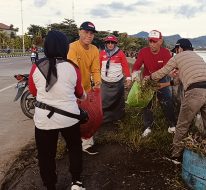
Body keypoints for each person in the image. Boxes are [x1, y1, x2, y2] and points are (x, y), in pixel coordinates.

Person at [29, 30, 86, 190]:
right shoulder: (72, 68)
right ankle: (76, 182)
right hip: (70, 118)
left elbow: (34, 92)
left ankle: (50, 185)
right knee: (74, 148)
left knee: (46, 156)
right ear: (64, 47)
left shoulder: (36, 67)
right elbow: (80, 93)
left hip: (44, 120)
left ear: (46, 47)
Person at [148, 38, 206, 161]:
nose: (175, 53)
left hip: (195, 92)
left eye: (176, 50)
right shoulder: (198, 57)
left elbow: (163, 72)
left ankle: (176, 156)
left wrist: (149, 78)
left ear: (179, 48)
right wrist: (166, 84)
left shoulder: (178, 57)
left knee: (182, 125)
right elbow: (180, 78)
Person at [132, 30, 177, 137]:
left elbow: (169, 69)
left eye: (154, 41)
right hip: (148, 80)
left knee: (167, 102)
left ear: (160, 41)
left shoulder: (166, 53)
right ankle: (148, 127)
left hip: (162, 79)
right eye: (150, 41)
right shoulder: (143, 51)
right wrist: (134, 76)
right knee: (147, 104)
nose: (152, 44)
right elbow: (136, 66)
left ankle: (172, 125)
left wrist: (173, 74)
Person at [67, 21, 101, 154]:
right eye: (86, 32)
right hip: (71, 90)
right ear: (79, 32)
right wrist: (79, 90)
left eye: (92, 33)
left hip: (86, 89)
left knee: (89, 116)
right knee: (72, 117)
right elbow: (72, 70)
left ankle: (86, 142)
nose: (89, 35)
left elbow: (95, 69)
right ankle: (73, 143)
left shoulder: (94, 49)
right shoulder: (72, 47)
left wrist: (97, 83)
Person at [100, 35, 131, 124]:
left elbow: (125, 66)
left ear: (115, 44)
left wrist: (128, 78)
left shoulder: (120, 53)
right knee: (104, 100)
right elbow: (98, 66)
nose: (110, 44)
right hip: (104, 82)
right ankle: (104, 119)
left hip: (117, 82)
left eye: (112, 43)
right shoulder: (102, 53)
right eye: (108, 43)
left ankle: (118, 118)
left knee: (118, 102)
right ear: (106, 44)